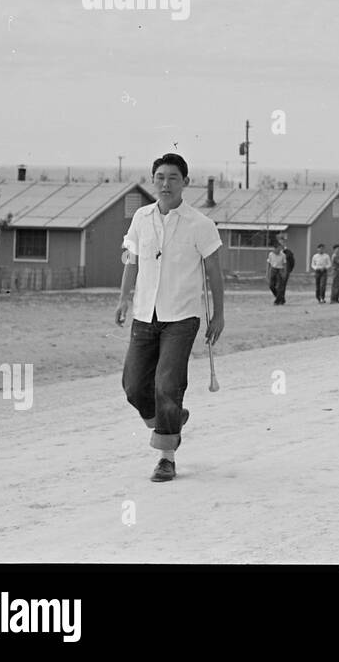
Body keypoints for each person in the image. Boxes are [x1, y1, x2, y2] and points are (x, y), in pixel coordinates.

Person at [115, 153, 225, 483]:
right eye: (160, 177)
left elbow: (214, 272)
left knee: (167, 384)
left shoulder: (200, 225)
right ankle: (172, 418)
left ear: (185, 183)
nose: (165, 183)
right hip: (144, 314)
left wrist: (219, 314)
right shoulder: (141, 218)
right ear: (153, 180)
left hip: (182, 316)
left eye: (173, 178)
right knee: (134, 386)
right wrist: (123, 298)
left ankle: (166, 457)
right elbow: (131, 261)